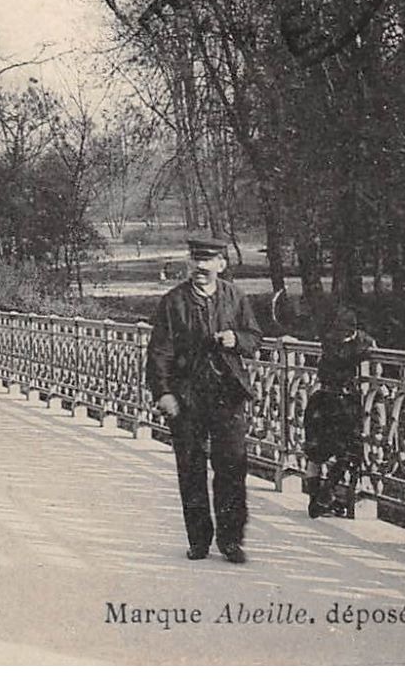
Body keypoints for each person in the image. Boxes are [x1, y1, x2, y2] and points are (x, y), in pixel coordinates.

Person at [146, 237, 262, 564]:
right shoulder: (173, 302)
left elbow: (255, 338)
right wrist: (164, 393)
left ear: (221, 265)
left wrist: (236, 338)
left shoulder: (235, 297)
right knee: (191, 468)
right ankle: (199, 541)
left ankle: (231, 541)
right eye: (196, 259)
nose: (200, 266)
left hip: (227, 395)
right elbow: (159, 352)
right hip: (188, 397)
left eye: (208, 260)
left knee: (232, 467)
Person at [303, 302, 375, 519]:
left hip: (329, 401)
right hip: (336, 402)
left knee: (326, 452)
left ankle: (319, 499)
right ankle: (322, 497)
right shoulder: (354, 345)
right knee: (335, 452)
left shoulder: (333, 343)